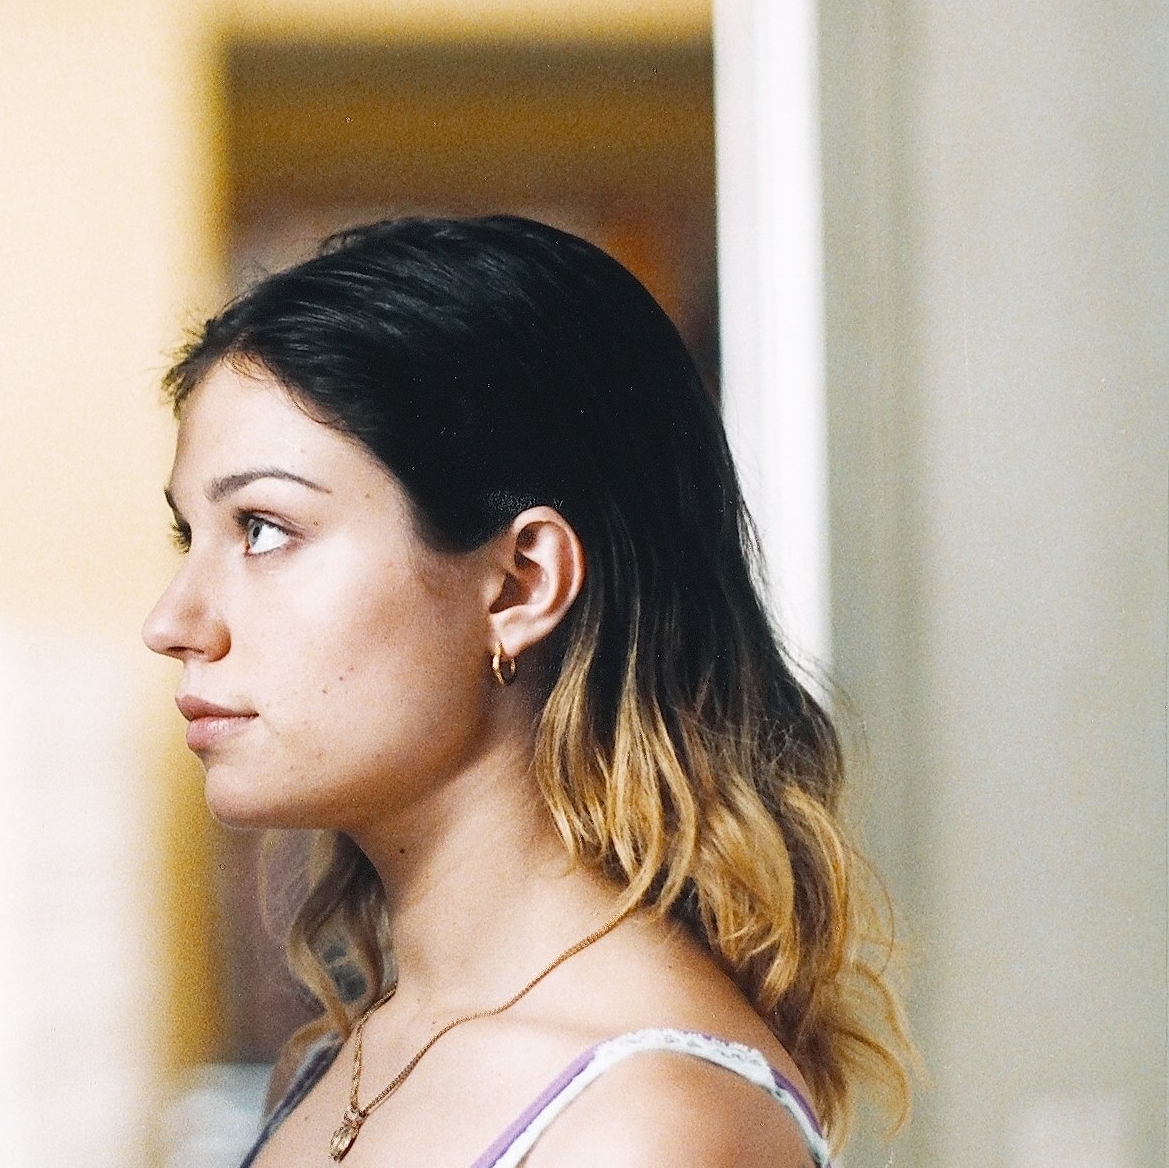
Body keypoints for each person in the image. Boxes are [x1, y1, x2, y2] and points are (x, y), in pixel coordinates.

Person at [144, 217, 911, 1166]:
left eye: (264, 528)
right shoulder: (345, 1058)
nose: (173, 621)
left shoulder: (647, 1127)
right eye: (190, 537)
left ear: (519, 585)